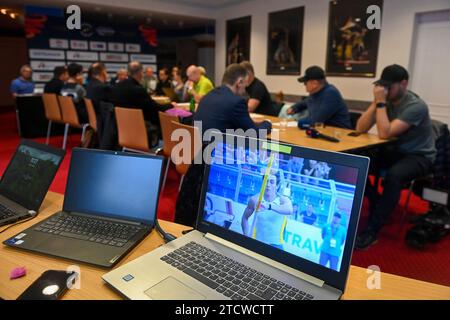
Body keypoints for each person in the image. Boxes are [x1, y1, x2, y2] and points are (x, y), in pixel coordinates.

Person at [354, 64, 436, 249]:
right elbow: (360, 128)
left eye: (389, 86)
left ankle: (372, 231)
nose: (384, 90)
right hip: (395, 151)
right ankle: (377, 201)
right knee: (359, 161)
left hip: (420, 155)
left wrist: (381, 103)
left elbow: (385, 133)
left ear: (403, 84)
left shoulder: (416, 106)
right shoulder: (385, 101)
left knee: (394, 176)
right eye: (382, 86)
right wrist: (376, 103)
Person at [193, 63, 272, 133]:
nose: (245, 89)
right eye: (245, 84)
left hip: (199, 146)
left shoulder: (208, 96)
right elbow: (254, 132)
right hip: (221, 148)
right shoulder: (236, 102)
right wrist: (267, 123)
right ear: (240, 82)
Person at [111, 61, 171, 145]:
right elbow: (154, 109)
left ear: (128, 72)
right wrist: (170, 106)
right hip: (140, 132)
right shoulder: (138, 90)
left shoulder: (117, 87)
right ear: (140, 73)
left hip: (121, 132)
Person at [241, 169, 293, 249]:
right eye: (266, 181)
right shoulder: (255, 199)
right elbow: (245, 218)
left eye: (272, 182)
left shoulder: (282, 200)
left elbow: (289, 210)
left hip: (277, 246)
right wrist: (246, 235)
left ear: (277, 185)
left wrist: (269, 206)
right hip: (257, 243)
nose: (268, 184)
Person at [287, 66, 351, 129]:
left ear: (315, 83)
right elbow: (306, 102)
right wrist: (294, 108)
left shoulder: (331, 94)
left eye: (305, 83)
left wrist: (298, 122)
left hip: (339, 133)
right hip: (323, 131)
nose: (304, 85)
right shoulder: (316, 93)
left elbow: (316, 121)